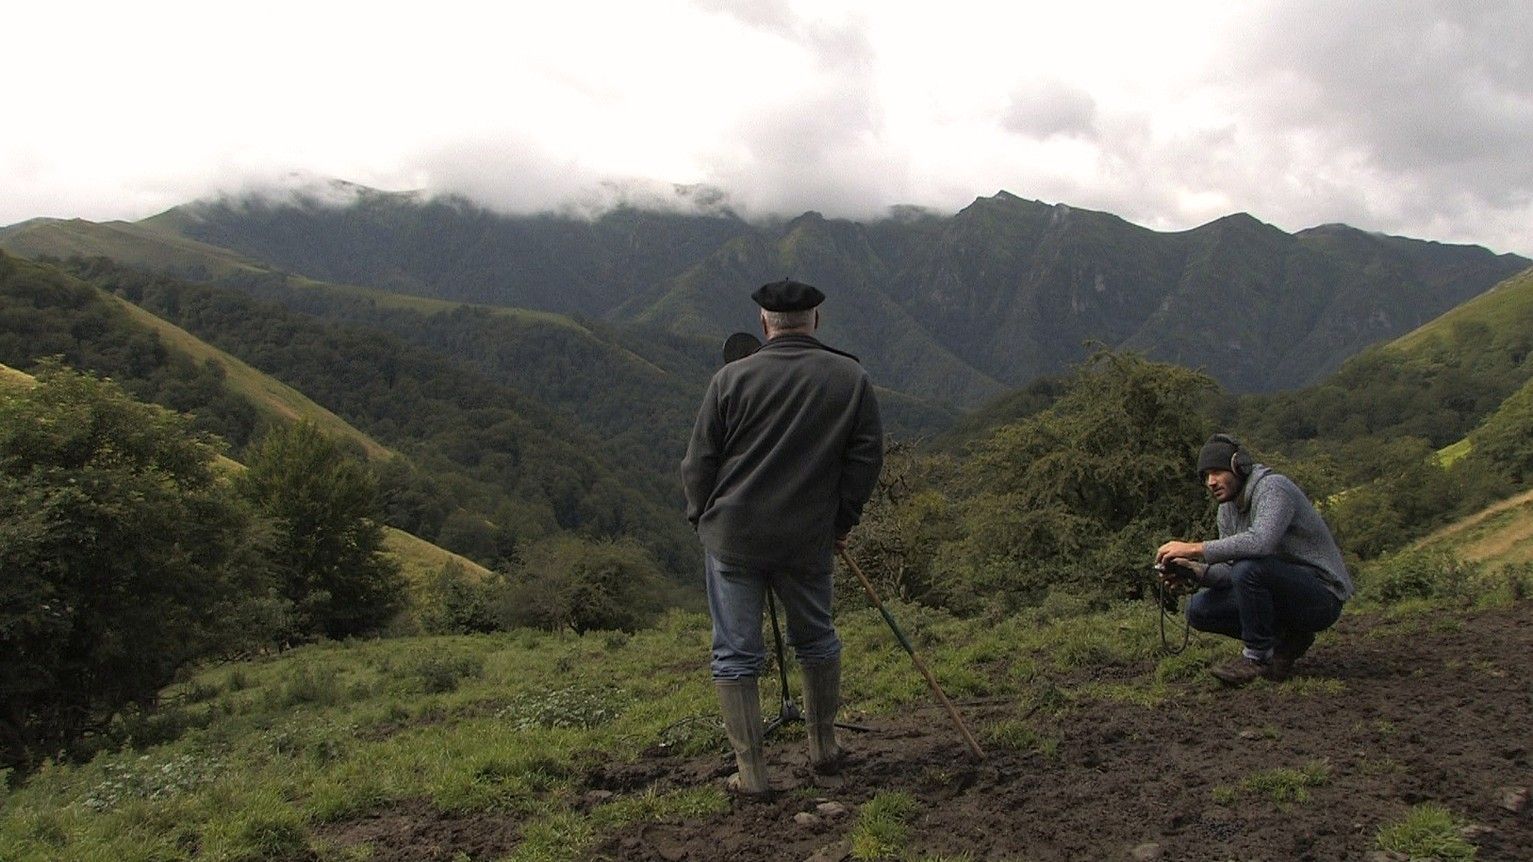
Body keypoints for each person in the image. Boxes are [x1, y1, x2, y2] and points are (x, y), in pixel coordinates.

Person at [680, 279, 884, 795]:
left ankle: (752, 775)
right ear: (815, 320)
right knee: (817, 638)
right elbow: (865, 461)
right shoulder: (851, 378)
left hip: (733, 536)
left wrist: (700, 516)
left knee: (735, 652)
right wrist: (840, 524)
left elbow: (700, 461)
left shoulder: (730, 380)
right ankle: (823, 747)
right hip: (806, 538)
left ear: (764, 324)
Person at [1155, 434, 1353, 686]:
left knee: (1250, 567)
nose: (1210, 482)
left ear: (1240, 466)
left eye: (1217, 472)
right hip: (1277, 590)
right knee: (1198, 609)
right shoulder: (1226, 509)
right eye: (1205, 476)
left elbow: (1261, 542)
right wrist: (1194, 571)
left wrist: (1195, 548)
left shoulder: (1273, 489)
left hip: (1321, 597)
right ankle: (1288, 640)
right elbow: (1231, 572)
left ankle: (1257, 660)